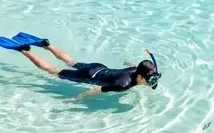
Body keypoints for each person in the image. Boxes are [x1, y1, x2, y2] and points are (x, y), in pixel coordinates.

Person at [12, 38, 160, 98]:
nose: (149, 83)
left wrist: (128, 63)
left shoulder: (137, 71)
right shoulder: (123, 85)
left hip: (98, 67)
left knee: (71, 61)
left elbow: (137, 66)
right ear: (140, 77)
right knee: (53, 71)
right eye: (148, 81)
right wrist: (80, 98)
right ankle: (25, 50)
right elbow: (97, 90)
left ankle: (47, 44)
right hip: (90, 76)